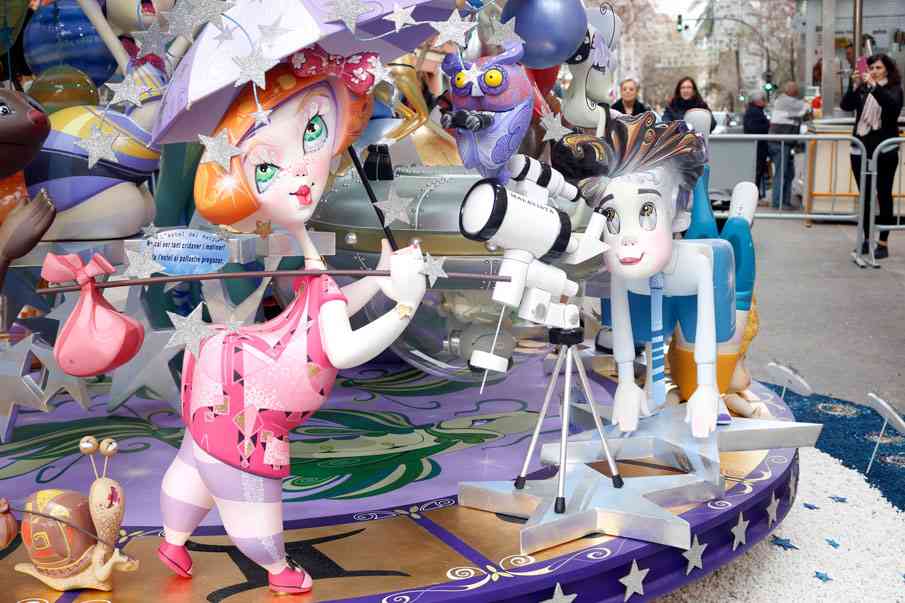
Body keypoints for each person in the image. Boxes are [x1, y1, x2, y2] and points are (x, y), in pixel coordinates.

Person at [155, 48, 428, 595]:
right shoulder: (309, 263)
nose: (301, 171)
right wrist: (404, 304)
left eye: (313, 133)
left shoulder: (311, 266)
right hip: (251, 402)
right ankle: (276, 567)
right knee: (244, 483)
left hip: (227, 375)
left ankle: (173, 540)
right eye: (265, 167)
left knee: (196, 460)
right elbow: (340, 348)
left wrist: (378, 280)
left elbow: (324, 311)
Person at [840, 53, 904, 259]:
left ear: (887, 70)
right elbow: (846, 106)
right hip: (860, 149)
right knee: (865, 196)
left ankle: (883, 242)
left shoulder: (894, 89)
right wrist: (853, 86)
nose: (874, 71)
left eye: (878, 68)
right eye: (871, 68)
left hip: (884, 151)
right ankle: (867, 239)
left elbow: (892, 109)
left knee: (884, 194)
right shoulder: (864, 87)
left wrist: (875, 87)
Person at [767, 81, 810, 209]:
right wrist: (806, 103)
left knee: (788, 173)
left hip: (784, 143)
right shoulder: (786, 101)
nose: (797, 92)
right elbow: (806, 108)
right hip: (780, 142)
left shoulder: (786, 101)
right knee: (782, 173)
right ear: (791, 90)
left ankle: (784, 202)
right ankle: (778, 203)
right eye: (796, 89)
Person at [743, 90, 770, 199]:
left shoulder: (754, 111)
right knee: (756, 172)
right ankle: (754, 196)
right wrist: (768, 125)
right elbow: (756, 129)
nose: (765, 102)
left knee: (758, 171)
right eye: (763, 99)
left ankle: (756, 195)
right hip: (757, 147)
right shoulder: (754, 112)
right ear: (757, 101)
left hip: (757, 146)